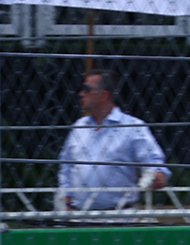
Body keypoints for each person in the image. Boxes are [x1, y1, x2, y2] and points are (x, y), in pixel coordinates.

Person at [57, 71, 167, 213]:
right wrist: (67, 201)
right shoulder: (79, 127)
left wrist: (155, 175)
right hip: (79, 216)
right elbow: (66, 167)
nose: (80, 93)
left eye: (86, 89)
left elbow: (154, 163)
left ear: (104, 95)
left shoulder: (132, 127)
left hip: (119, 216)